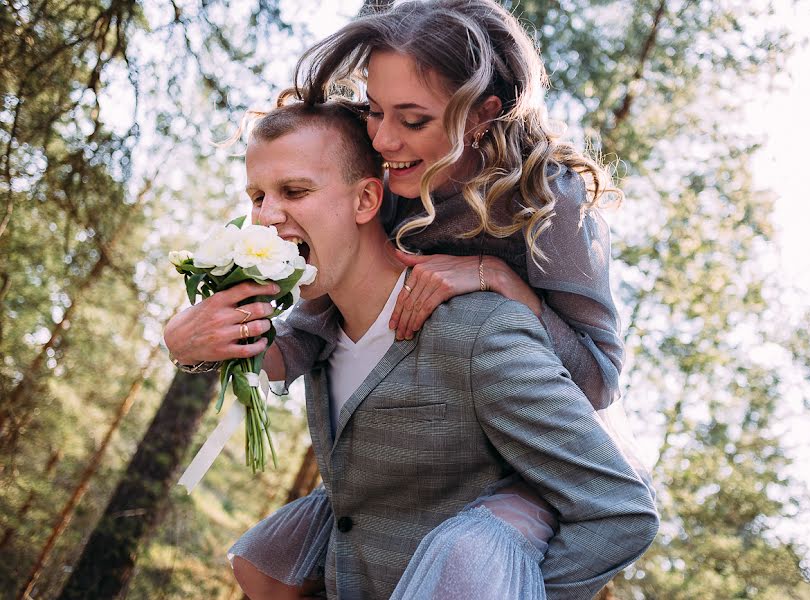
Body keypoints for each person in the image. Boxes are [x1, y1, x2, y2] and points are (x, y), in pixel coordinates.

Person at [199, 96, 656, 599]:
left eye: (294, 191)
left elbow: (620, 509)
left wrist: (508, 589)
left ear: (366, 200)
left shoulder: (482, 332)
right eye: (257, 196)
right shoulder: (320, 331)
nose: (265, 217)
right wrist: (189, 344)